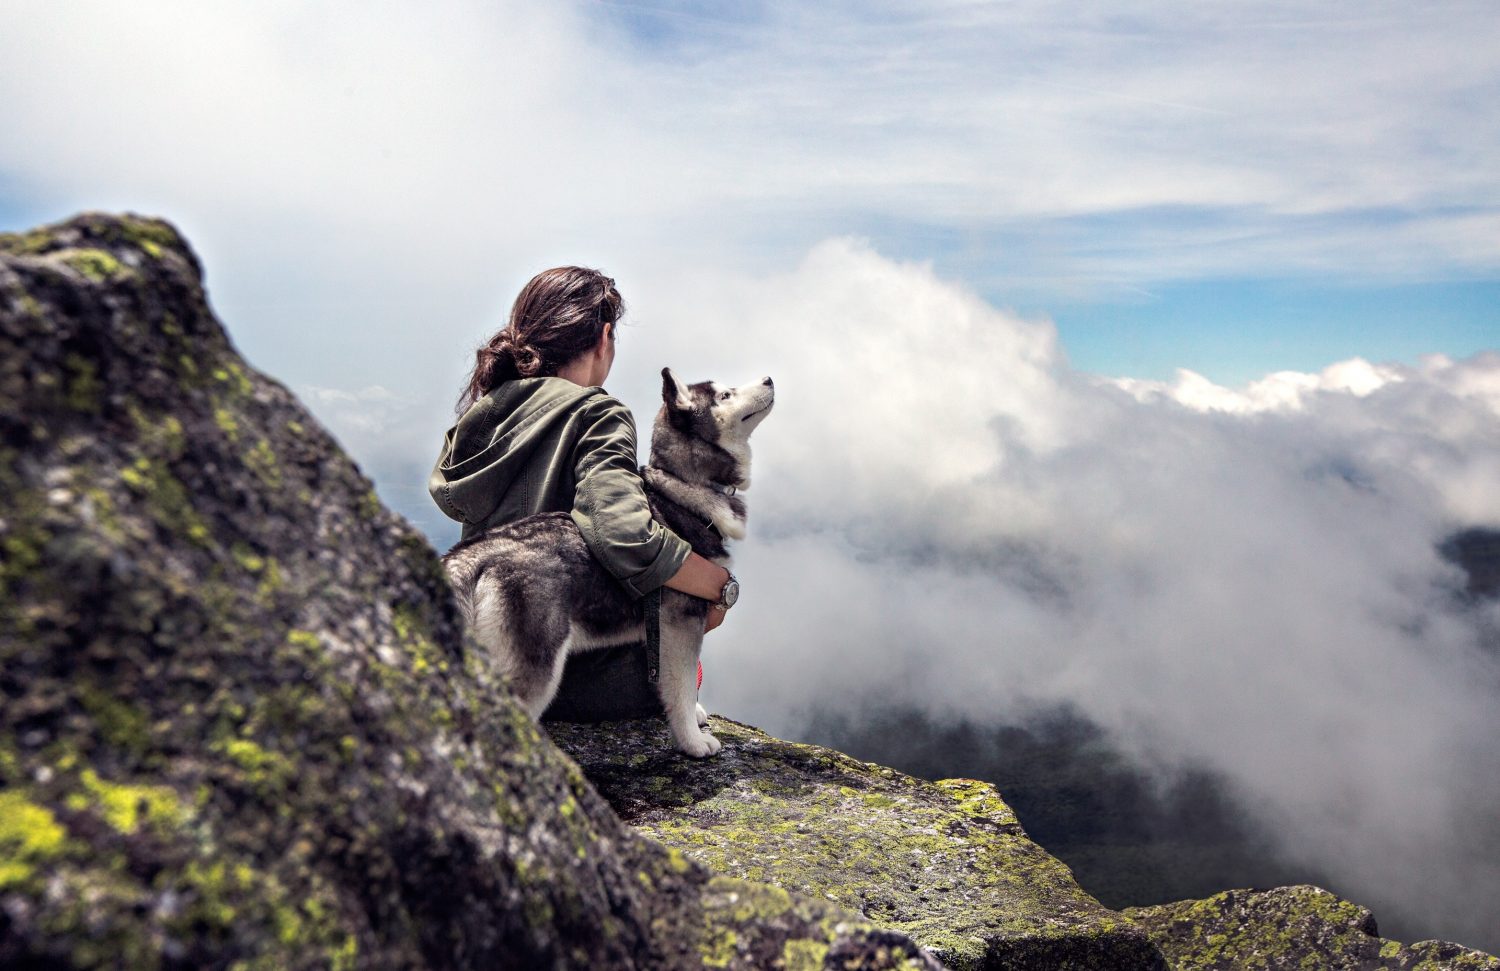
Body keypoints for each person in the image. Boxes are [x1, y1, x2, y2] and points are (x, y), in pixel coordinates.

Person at [428, 266, 734, 721]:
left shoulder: (484, 415)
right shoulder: (597, 413)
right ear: (604, 337)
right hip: (570, 678)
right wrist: (718, 585)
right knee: (686, 665)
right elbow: (623, 531)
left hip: (484, 663)